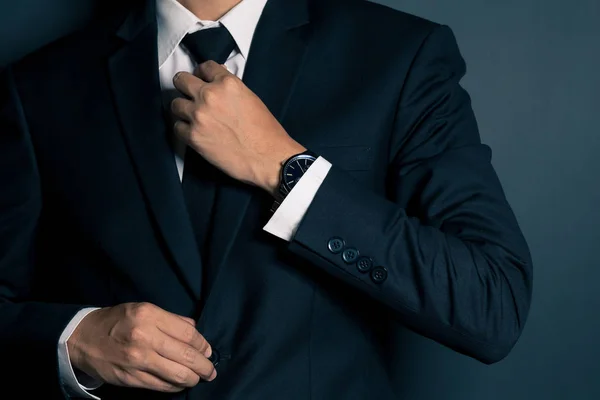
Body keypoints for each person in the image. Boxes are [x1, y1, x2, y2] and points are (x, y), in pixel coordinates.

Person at [0, 0, 533, 398]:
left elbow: (491, 303)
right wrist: (74, 338)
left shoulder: (399, 56)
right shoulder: (39, 86)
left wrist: (285, 169)